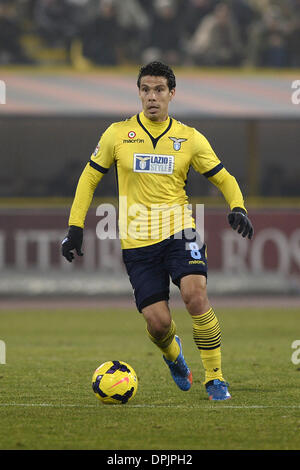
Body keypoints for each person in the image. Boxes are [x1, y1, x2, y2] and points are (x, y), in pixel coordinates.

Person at [61, 61, 253, 401]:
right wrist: (75, 227)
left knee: (195, 295)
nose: (152, 97)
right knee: (159, 323)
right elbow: (89, 177)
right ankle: (174, 356)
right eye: (146, 90)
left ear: (172, 94)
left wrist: (238, 206)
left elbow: (223, 177)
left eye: (159, 90)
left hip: (181, 232)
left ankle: (215, 378)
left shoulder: (189, 138)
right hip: (137, 243)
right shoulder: (117, 134)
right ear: (139, 93)